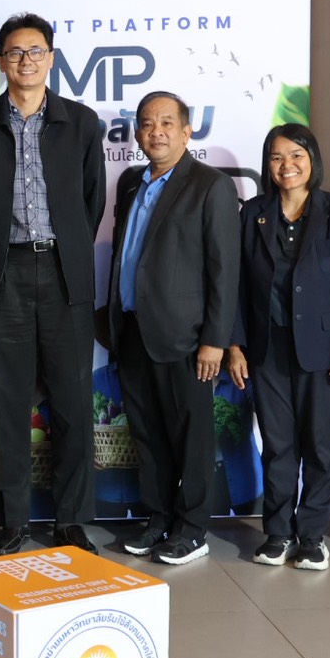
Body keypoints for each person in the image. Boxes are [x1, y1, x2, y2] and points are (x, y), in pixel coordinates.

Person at [0, 13, 105, 556]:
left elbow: (91, 201)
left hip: (65, 273)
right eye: (15, 52)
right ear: (1, 61)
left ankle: (70, 520)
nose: (26, 60)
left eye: (35, 51)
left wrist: (66, 249)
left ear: (51, 58)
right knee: (9, 402)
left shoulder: (81, 123)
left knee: (72, 402)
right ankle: (12, 520)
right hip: (5, 276)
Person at [226, 124, 330, 571]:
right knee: (277, 444)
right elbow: (235, 283)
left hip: (324, 350)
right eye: (276, 157)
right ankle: (278, 533)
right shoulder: (254, 213)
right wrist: (235, 344)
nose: (286, 165)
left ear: (312, 160)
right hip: (267, 348)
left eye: (296, 155)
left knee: (320, 446)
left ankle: (312, 536)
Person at [108, 91, 240, 565]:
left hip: (186, 336)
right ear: (137, 133)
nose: (156, 131)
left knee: (192, 437)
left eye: (167, 122)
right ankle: (159, 517)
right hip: (133, 331)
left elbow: (224, 270)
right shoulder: (132, 184)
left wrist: (214, 341)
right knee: (148, 435)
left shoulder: (210, 186)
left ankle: (193, 528)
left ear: (187, 131)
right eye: (147, 123)